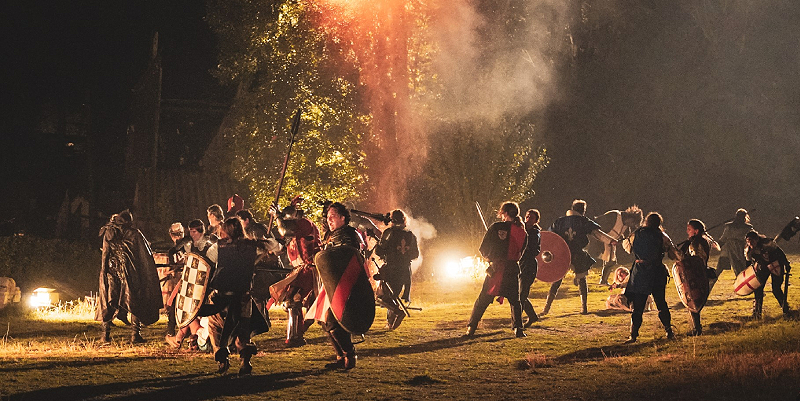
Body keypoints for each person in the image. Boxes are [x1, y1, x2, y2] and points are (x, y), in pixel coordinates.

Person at [313, 202, 366, 369]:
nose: (329, 220)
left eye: (333, 217)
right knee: (324, 321)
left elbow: (349, 258)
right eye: (328, 218)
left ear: (343, 218)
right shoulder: (332, 234)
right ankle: (340, 357)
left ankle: (350, 356)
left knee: (333, 321)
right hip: (332, 283)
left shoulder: (350, 234)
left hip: (345, 285)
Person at [96, 211, 162, 343]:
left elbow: (105, 255)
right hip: (131, 273)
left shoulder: (108, 233)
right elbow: (144, 257)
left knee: (109, 299)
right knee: (135, 301)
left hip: (111, 272)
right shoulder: (134, 234)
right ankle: (135, 335)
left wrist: (104, 274)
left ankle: (105, 335)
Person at [542, 200, 617, 316]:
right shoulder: (584, 221)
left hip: (562, 254)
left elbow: (550, 236)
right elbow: (597, 233)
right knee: (582, 280)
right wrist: (610, 240)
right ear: (583, 210)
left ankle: (546, 308)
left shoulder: (559, 222)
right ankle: (584, 308)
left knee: (557, 281)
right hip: (577, 254)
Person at [466, 202, 528, 338]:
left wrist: (489, 258)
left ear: (504, 213)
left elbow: (483, 248)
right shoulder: (522, 231)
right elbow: (520, 252)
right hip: (512, 268)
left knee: (483, 299)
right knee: (515, 301)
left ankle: (471, 327)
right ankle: (518, 329)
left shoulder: (496, 227)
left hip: (497, 269)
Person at [209, 217, 259, 375]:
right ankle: (245, 362)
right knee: (241, 332)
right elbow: (275, 247)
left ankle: (223, 361)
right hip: (244, 297)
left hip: (223, 298)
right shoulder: (252, 246)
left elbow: (208, 258)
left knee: (215, 328)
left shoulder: (218, 247)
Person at [271, 201, 321, 347]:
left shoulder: (305, 224)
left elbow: (285, 231)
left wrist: (277, 216)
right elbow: (280, 245)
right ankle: (298, 333)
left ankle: (295, 336)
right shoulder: (295, 230)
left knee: (292, 300)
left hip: (309, 268)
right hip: (299, 269)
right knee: (291, 302)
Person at [623, 212, 677, 343]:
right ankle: (669, 331)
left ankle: (633, 335)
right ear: (659, 224)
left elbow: (627, 248)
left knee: (638, 306)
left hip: (640, 273)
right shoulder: (663, 236)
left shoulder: (636, 234)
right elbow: (672, 255)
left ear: (646, 221)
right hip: (656, 272)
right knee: (661, 303)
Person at [165, 219, 218, 350]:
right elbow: (176, 253)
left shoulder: (211, 246)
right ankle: (183, 338)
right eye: (191, 232)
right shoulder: (188, 244)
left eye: (194, 231)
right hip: (190, 284)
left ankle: (191, 337)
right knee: (181, 306)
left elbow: (211, 266)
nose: (192, 234)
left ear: (201, 231)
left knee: (191, 311)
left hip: (204, 285)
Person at [374, 209, 419, 329]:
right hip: (404, 271)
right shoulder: (410, 235)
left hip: (391, 270)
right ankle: (390, 324)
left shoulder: (389, 232)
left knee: (382, 297)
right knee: (392, 297)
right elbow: (415, 254)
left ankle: (398, 313)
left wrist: (385, 250)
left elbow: (379, 251)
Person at [678, 219, 720, 336]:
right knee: (693, 301)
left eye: (689, 229)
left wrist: (687, 243)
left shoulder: (699, 243)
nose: (687, 231)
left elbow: (696, 260)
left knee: (694, 300)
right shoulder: (696, 241)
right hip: (695, 274)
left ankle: (697, 329)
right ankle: (696, 328)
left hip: (697, 274)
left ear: (696, 231)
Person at [746, 231, 791, 318]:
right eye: (748, 240)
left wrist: (786, 264)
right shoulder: (749, 250)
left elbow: (780, 252)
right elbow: (748, 263)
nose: (750, 243)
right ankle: (757, 313)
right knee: (758, 289)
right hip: (763, 267)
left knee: (776, 289)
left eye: (752, 240)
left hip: (776, 265)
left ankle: (785, 309)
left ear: (757, 239)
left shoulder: (767, 243)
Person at [594, 206, 643, 285]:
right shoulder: (615, 215)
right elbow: (598, 223)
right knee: (592, 260)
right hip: (599, 239)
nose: (631, 225)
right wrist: (603, 239)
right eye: (633, 222)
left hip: (610, 243)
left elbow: (625, 238)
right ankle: (580, 277)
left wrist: (620, 242)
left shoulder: (627, 226)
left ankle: (603, 281)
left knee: (611, 262)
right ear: (631, 218)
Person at [714, 209, 753, 285]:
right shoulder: (730, 227)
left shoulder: (747, 228)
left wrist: (719, 245)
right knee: (719, 271)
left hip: (739, 251)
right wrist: (718, 245)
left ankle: (750, 288)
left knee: (743, 271)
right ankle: (708, 286)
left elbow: (723, 239)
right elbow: (723, 238)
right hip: (728, 251)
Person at [165, 222, 189, 336]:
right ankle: (170, 329)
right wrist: (172, 270)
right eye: (175, 234)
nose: (177, 237)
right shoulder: (172, 251)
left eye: (179, 234)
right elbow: (173, 266)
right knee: (173, 303)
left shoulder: (189, 245)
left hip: (189, 278)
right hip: (179, 279)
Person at [518, 209, 541, 327]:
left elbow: (531, 250)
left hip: (529, 265)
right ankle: (532, 316)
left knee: (522, 295)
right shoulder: (523, 230)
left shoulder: (534, 233)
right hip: (521, 264)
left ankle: (517, 322)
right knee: (519, 294)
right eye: (527, 217)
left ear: (536, 220)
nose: (528, 219)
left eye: (531, 218)